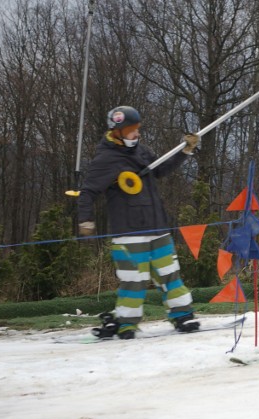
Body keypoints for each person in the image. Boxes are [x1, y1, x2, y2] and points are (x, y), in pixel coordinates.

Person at [78, 105, 200, 339]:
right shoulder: (106, 159)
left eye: (138, 128)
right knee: (135, 281)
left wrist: (184, 151)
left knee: (170, 274)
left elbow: (160, 170)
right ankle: (126, 323)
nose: (137, 133)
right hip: (129, 233)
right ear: (118, 131)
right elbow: (88, 192)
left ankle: (183, 315)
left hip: (158, 228)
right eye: (132, 129)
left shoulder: (141, 152)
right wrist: (85, 220)